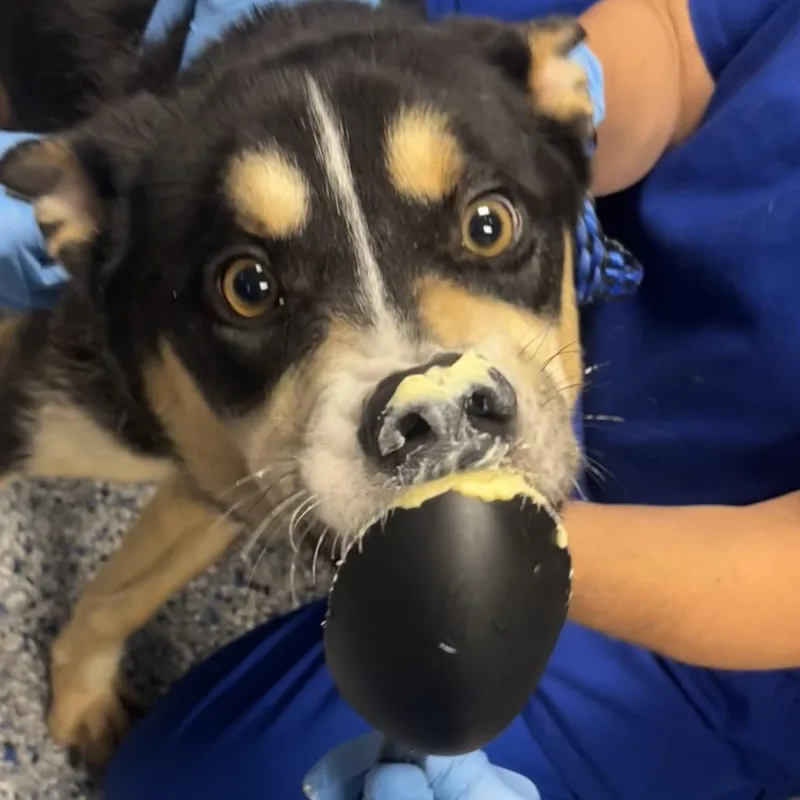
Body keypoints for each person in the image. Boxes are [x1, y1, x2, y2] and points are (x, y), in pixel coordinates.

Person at [3, 0, 800, 797]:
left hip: (734, 636)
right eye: (250, 289)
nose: (430, 391)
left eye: (486, 229)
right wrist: (530, 97)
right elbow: (675, 35)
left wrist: (503, 551)